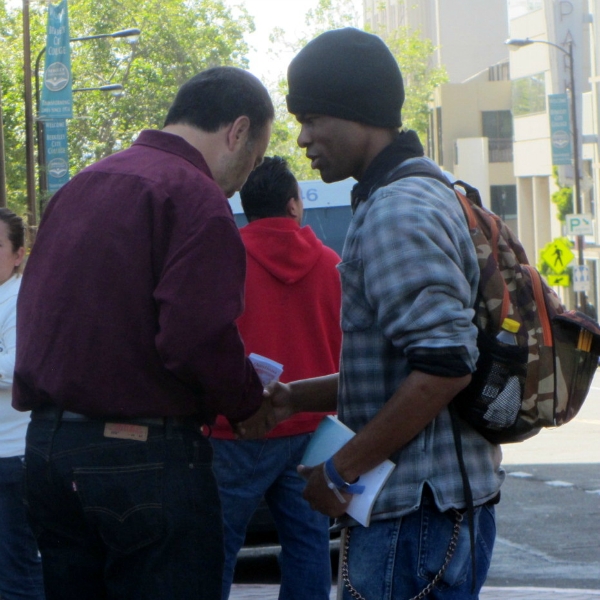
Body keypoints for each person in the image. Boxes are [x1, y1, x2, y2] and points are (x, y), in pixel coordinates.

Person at [241, 28, 505, 599]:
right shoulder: (423, 188)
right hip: (431, 513)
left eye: (313, 118)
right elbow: (404, 365)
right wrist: (297, 396)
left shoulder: (397, 209)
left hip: (416, 517)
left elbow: (446, 365)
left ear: (357, 112)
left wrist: (342, 471)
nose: (303, 137)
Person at [13, 66, 274, 600]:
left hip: (47, 449)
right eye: (259, 155)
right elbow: (195, 335)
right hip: (143, 456)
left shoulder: (82, 185)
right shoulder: (197, 197)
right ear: (238, 131)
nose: (251, 173)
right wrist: (248, 402)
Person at [210, 156, 342, 600]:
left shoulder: (225, 259)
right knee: (308, 546)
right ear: (293, 205)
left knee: (216, 551)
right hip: (313, 429)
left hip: (238, 429)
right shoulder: (331, 265)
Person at [0, 208, 45, 600]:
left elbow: (18, 366)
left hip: (13, 457)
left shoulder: (19, 298)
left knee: (18, 571)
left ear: (18, 254)